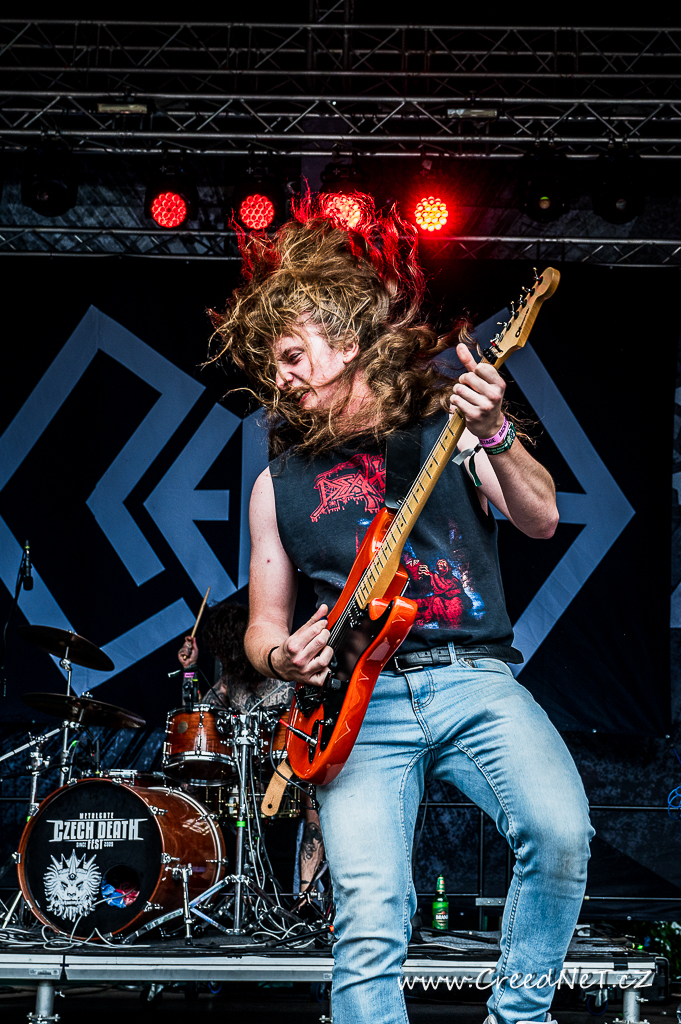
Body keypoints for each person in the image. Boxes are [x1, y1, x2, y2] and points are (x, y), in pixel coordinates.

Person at [210, 192, 594, 1024]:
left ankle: (519, 1016)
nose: (280, 378)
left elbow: (540, 519)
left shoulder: (443, 423)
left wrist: (495, 430)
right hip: (358, 708)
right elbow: (262, 629)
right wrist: (283, 657)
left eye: (292, 356)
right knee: (369, 912)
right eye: (273, 365)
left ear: (347, 343)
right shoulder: (276, 485)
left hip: (471, 677)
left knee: (560, 836)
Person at [177, 601, 324, 893]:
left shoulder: (284, 669)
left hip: (291, 769)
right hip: (248, 775)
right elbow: (197, 721)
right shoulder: (229, 682)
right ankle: (200, 885)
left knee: (313, 800)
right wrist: (190, 670)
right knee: (191, 784)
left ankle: (306, 895)